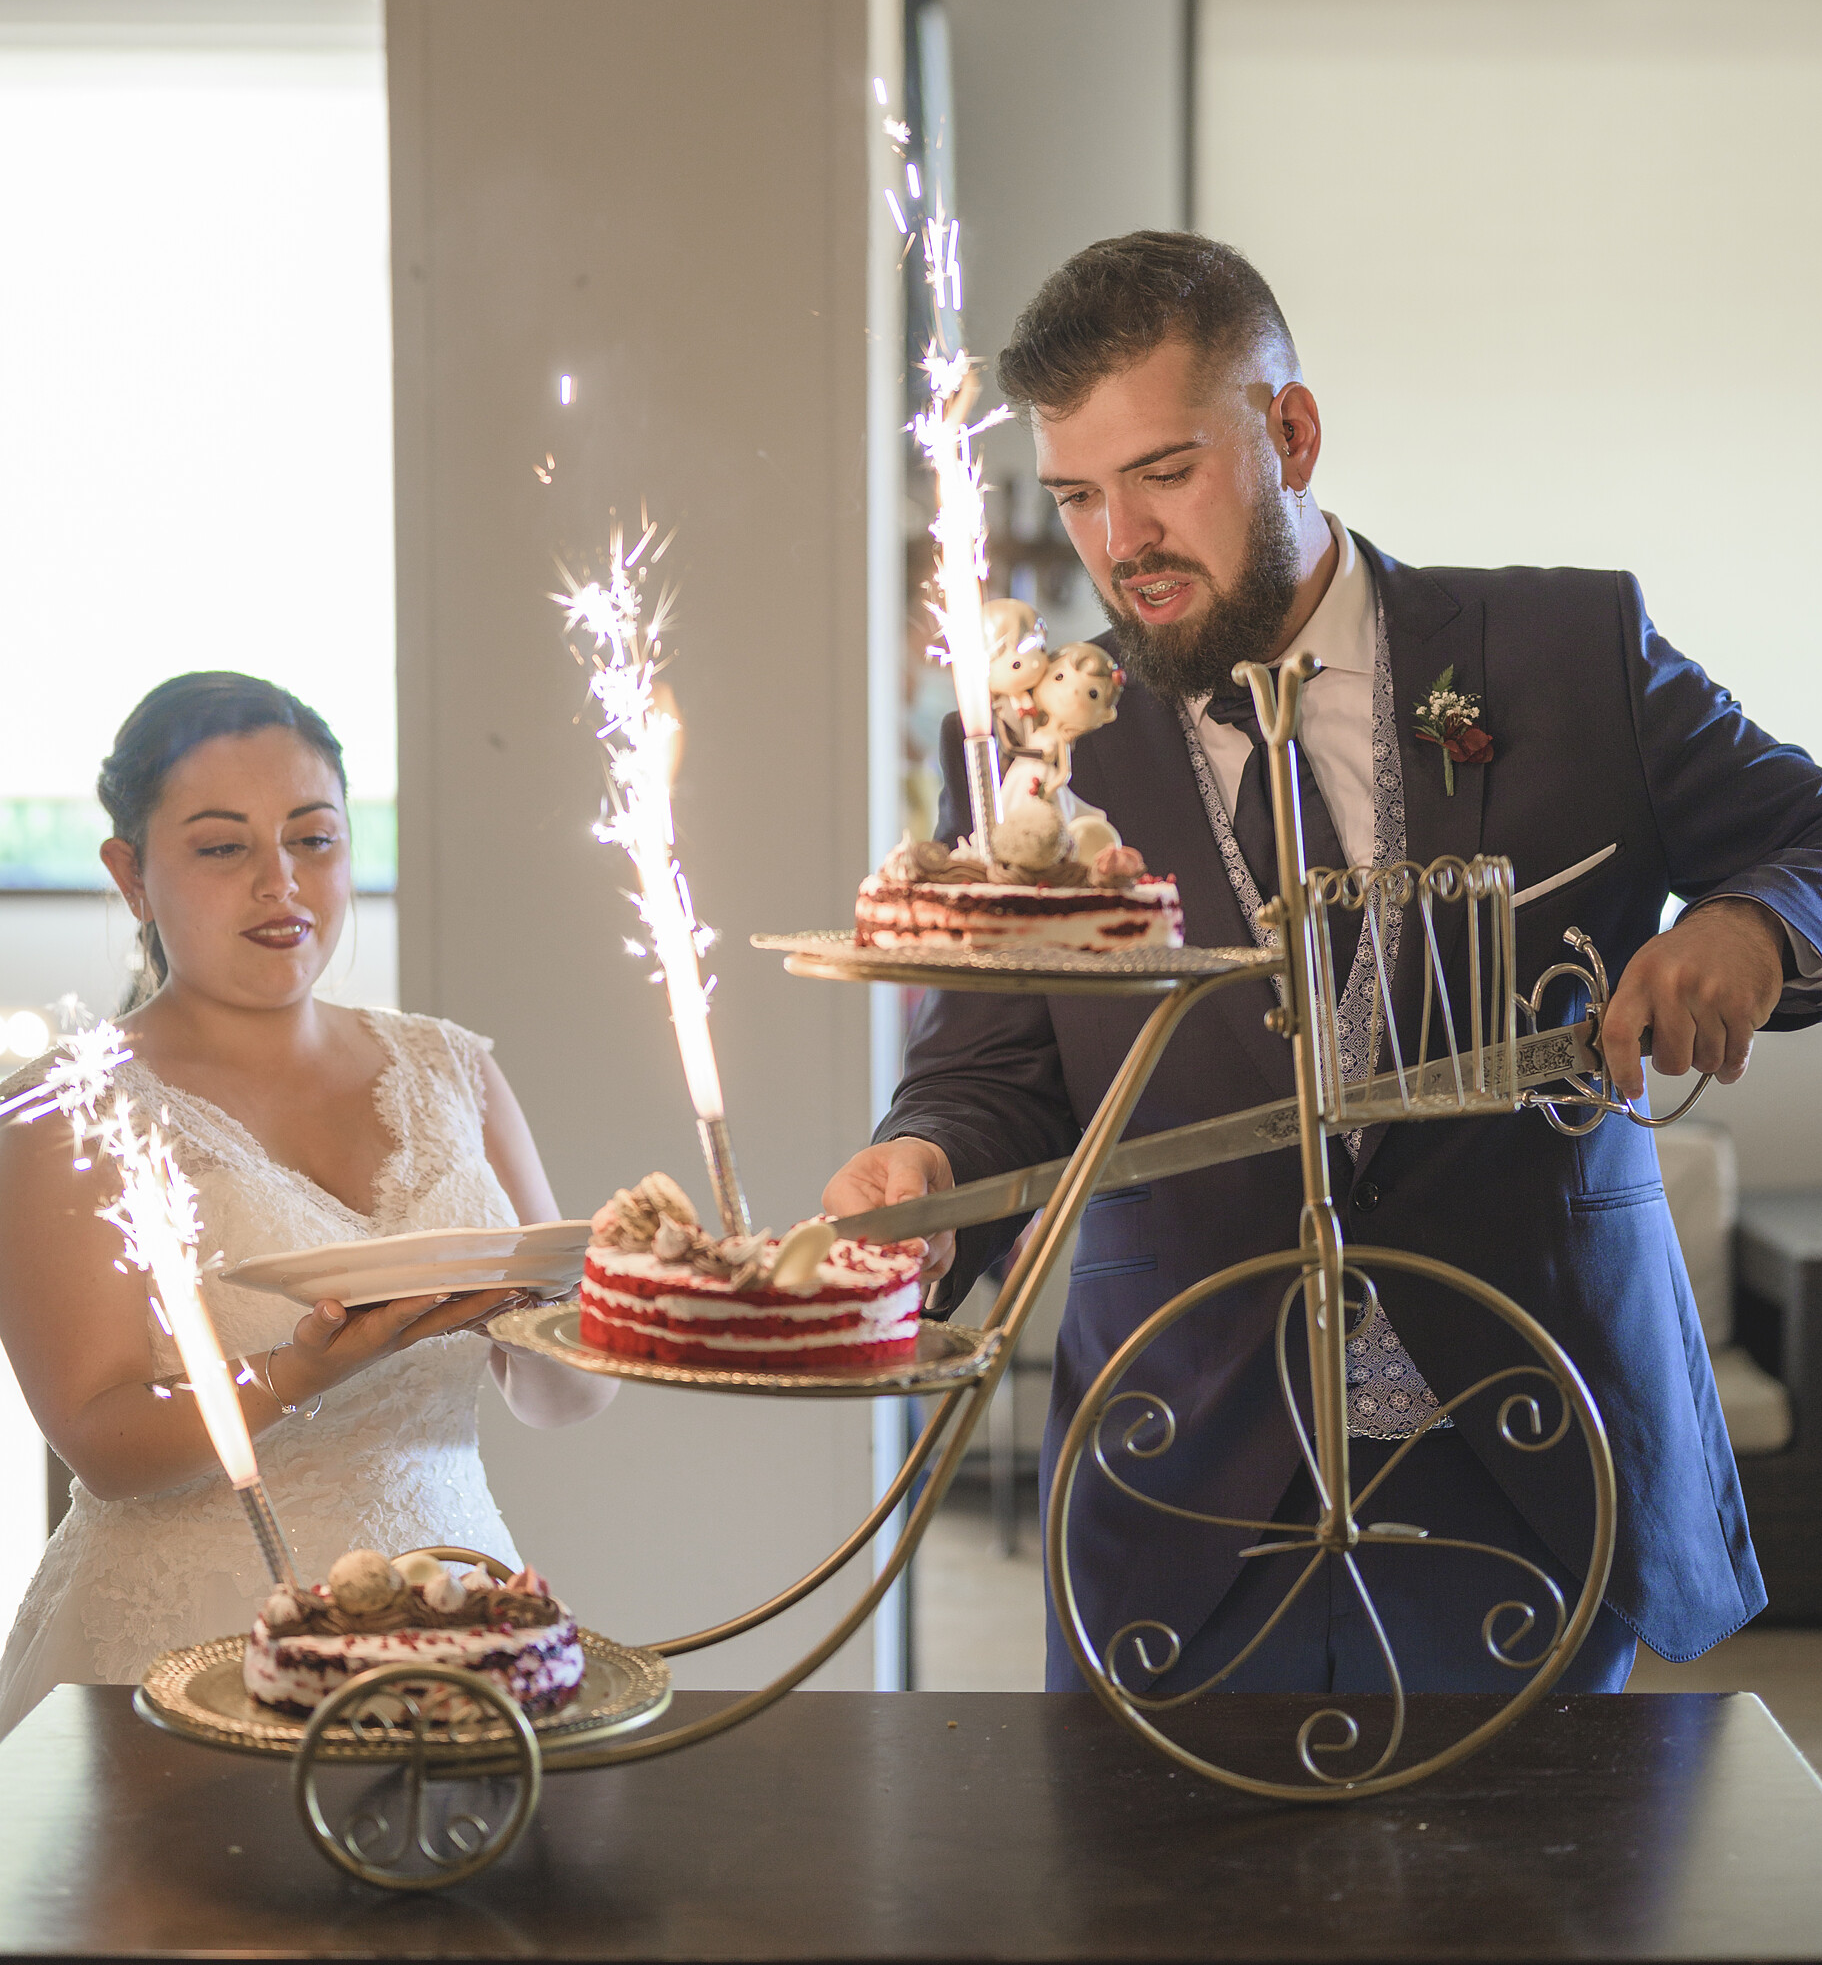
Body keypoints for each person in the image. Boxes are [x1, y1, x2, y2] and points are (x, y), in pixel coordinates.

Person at [825, 233, 1822, 1696]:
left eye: (1164, 473)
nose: (1122, 542)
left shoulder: (1568, 651)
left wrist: (1749, 925)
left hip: (1539, 1452)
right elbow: (988, 1074)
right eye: (1080, 497)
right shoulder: (1046, 747)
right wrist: (919, 1168)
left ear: (1287, 431)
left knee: (1549, 1913)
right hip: (1183, 1484)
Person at [0, 672, 614, 1732]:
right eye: (223, 846)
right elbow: (98, 1439)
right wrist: (302, 1371)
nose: (279, 882)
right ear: (131, 873)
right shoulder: (64, 1107)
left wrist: (570, 1306)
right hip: (181, 1650)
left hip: (459, 1626)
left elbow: (567, 1396)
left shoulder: (452, 1067)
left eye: (313, 838)